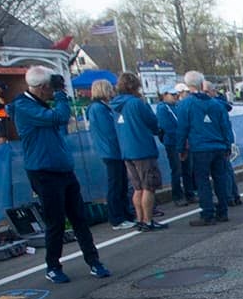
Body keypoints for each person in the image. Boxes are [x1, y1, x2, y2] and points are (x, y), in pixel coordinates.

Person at [11, 67, 111, 284]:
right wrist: (60, 95)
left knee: (79, 218)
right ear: (43, 87)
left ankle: (94, 261)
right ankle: (53, 266)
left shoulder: (38, 105)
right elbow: (60, 117)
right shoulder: (24, 107)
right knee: (55, 221)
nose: (52, 92)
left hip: (62, 169)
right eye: (50, 88)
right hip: (43, 172)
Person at [111, 72, 168, 232]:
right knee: (148, 187)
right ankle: (148, 220)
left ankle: (140, 218)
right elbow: (152, 122)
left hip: (126, 151)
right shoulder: (137, 103)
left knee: (137, 188)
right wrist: (158, 130)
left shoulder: (115, 106)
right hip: (142, 149)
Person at [178, 70, 234, 224]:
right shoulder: (215, 104)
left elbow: (182, 128)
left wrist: (181, 148)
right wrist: (228, 145)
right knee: (219, 178)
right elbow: (225, 126)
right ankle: (223, 211)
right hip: (218, 146)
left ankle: (207, 213)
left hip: (200, 148)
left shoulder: (186, 105)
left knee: (203, 181)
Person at [85, 79, 133, 230]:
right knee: (116, 184)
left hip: (113, 150)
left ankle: (125, 213)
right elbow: (109, 131)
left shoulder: (103, 108)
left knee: (122, 184)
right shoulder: (98, 109)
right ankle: (117, 218)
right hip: (111, 151)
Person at [204, 80, 242, 206]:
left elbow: (223, 125)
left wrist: (227, 141)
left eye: (205, 91)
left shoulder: (215, 105)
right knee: (226, 169)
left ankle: (229, 196)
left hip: (220, 141)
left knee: (223, 170)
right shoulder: (218, 104)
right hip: (221, 140)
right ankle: (233, 195)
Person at [156, 85, 193, 205]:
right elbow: (167, 127)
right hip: (172, 143)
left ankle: (190, 193)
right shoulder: (162, 108)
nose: (175, 96)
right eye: (172, 95)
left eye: (176, 94)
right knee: (177, 169)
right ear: (164, 95)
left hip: (183, 141)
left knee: (187, 169)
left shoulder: (177, 106)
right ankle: (177, 196)